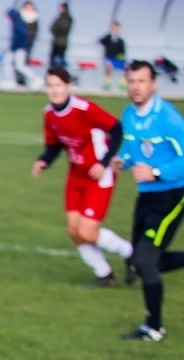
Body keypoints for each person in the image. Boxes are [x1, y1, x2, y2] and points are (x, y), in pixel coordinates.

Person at [34, 66, 133, 286]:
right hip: (76, 176)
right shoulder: (49, 113)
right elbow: (54, 146)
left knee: (87, 231)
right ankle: (104, 275)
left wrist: (103, 162)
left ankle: (130, 252)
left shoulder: (84, 108)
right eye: (50, 85)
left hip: (98, 176)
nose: (54, 90)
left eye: (59, 85)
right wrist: (43, 161)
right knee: (74, 231)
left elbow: (117, 129)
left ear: (68, 86)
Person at [113, 61, 184, 340]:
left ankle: (154, 328)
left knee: (144, 261)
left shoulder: (168, 118)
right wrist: (123, 160)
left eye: (141, 81)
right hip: (147, 196)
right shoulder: (129, 114)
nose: (135, 87)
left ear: (153, 84)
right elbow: (133, 146)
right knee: (142, 260)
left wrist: (155, 172)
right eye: (131, 81)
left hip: (173, 195)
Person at [100, 23, 126, 91]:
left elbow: (123, 53)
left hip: (118, 60)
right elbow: (101, 41)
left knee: (128, 67)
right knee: (108, 65)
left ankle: (122, 84)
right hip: (109, 59)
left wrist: (120, 58)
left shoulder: (121, 41)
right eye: (114, 28)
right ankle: (108, 84)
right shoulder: (108, 39)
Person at [48, 2, 71, 68]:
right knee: (52, 60)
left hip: (62, 43)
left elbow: (64, 29)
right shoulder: (58, 18)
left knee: (60, 60)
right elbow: (52, 28)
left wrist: (57, 30)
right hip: (55, 42)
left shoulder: (68, 19)